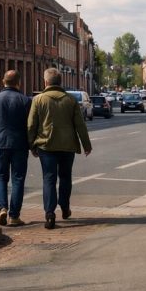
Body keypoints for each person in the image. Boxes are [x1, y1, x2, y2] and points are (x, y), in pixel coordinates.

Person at [28, 67, 93, 230]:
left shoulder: (38, 100)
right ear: (61, 82)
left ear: (45, 82)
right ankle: (64, 207)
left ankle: (50, 213)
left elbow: (31, 125)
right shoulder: (70, 100)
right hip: (67, 146)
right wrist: (86, 144)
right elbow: (80, 125)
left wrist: (32, 145)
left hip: (46, 145)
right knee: (65, 177)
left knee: (49, 178)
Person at [0, 70, 31, 227]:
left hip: (0, 143)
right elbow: (31, 125)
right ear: (19, 83)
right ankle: (14, 216)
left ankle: (2, 208)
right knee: (18, 179)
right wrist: (32, 144)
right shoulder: (25, 100)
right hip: (20, 144)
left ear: (3, 82)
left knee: (1, 178)